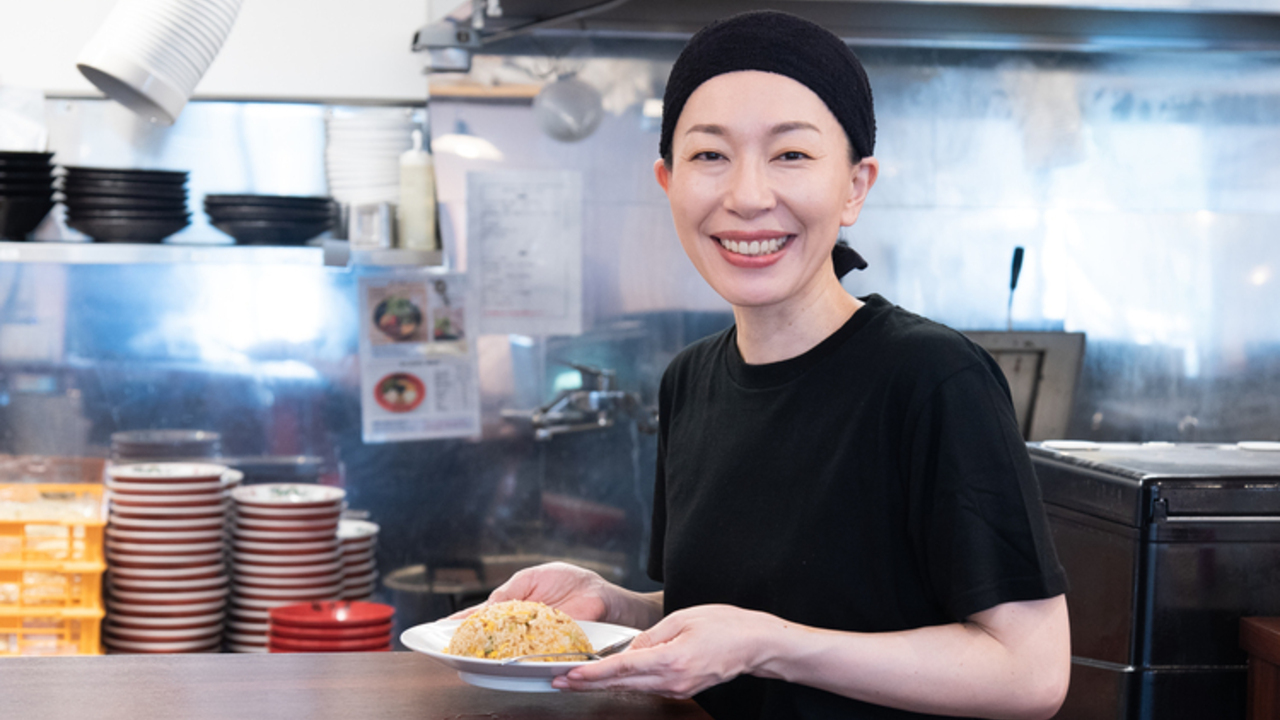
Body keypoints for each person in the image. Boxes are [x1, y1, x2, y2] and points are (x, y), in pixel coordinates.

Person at [472, 10, 1071, 719]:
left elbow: (1030, 672)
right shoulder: (689, 381)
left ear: (855, 186)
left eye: (791, 155)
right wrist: (614, 607)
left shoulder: (933, 378)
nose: (749, 195)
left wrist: (769, 645)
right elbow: (725, 618)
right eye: (709, 156)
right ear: (668, 182)